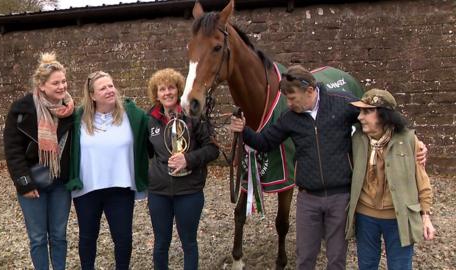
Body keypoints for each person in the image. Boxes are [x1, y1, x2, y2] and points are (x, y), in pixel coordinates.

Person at [229, 65, 428, 270]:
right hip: (308, 199)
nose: (288, 104)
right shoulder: (289, 118)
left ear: (309, 91)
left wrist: (415, 143)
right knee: (305, 258)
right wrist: (244, 130)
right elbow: (265, 142)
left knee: (336, 259)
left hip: (340, 198)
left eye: (292, 98)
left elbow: (381, 119)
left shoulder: (341, 103)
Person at [66, 71, 149, 270]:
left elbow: (158, 126)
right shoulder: (77, 118)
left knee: (123, 239)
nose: (110, 90)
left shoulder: (133, 115)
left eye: (111, 86)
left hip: (120, 188)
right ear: (92, 95)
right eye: (103, 88)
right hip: (87, 189)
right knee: (87, 237)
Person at [345, 88, 436, 269]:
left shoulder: (409, 140)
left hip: (398, 215)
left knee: (400, 266)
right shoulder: (356, 139)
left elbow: (422, 180)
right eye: (360, 111)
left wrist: (425, 216)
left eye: (367, 111)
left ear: (384, 115)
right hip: (365, 216)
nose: (360, 117)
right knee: (367, 265)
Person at [3, 52, 74, 270]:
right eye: (56, 83)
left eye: (63, 81)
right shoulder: (21, 109)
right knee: (37, 238)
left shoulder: (70, 110)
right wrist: (24, 183)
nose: (62, 87)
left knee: (59, 235)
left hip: (60, 183)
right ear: (42, 85)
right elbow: (12, 150)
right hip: (33, 183)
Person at [146, 68, 219, 270]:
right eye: (162, 89)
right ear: (156, 94)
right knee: (161, 243)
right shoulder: (149, 119)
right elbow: (146, 152)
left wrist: (188, 159)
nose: (167, 92)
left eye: (171, 88)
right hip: (159, 192)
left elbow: (213, 150)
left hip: (189, 191)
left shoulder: (193, 116)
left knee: (188, 242)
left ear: (178, 90)